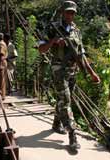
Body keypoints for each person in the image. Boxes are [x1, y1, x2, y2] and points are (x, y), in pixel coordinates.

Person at [38, 1, 100, 150]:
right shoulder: (52, 28)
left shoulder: (76, 31)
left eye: (72, 13)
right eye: (67, 12)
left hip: (73, 70)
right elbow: (41, 49)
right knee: (65, 100)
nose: (70, 15)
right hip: (58, 68)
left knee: (64, 98)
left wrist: (91, 73)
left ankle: (56, 123)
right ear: (62, 12)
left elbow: (81, 54)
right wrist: (53, 41)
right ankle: (72, 134)